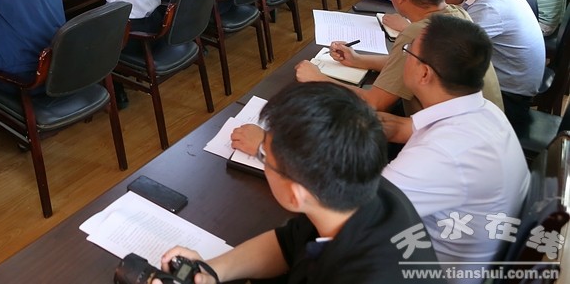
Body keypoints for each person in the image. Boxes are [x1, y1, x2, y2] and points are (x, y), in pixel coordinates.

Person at [158, 83, 441, 284]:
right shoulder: (365, 190)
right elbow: (288, 242)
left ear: (296, 195)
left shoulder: (368, 275)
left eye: (265, 157)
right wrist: (211, 270)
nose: (262, 158)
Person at [295, 0, 504, 139]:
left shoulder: (417, 33)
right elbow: (404, 64)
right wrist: (358, 60)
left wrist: (318, 79)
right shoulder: (457, 14)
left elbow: (374, 103)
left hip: (446, 141)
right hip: (486, 130)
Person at [381, 15, 528, 283]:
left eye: (408, 51)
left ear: (424, 73)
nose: (405, 56)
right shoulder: (483, 111)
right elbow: (404, 128)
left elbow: (356, 213)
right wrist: (354, 118)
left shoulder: (442, 153)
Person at [440, 0, 544, 135]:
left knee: (431, 80)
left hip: (510, 98)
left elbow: (447, 47)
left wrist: (409, 26)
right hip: (516, 83)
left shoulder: (490, 7)